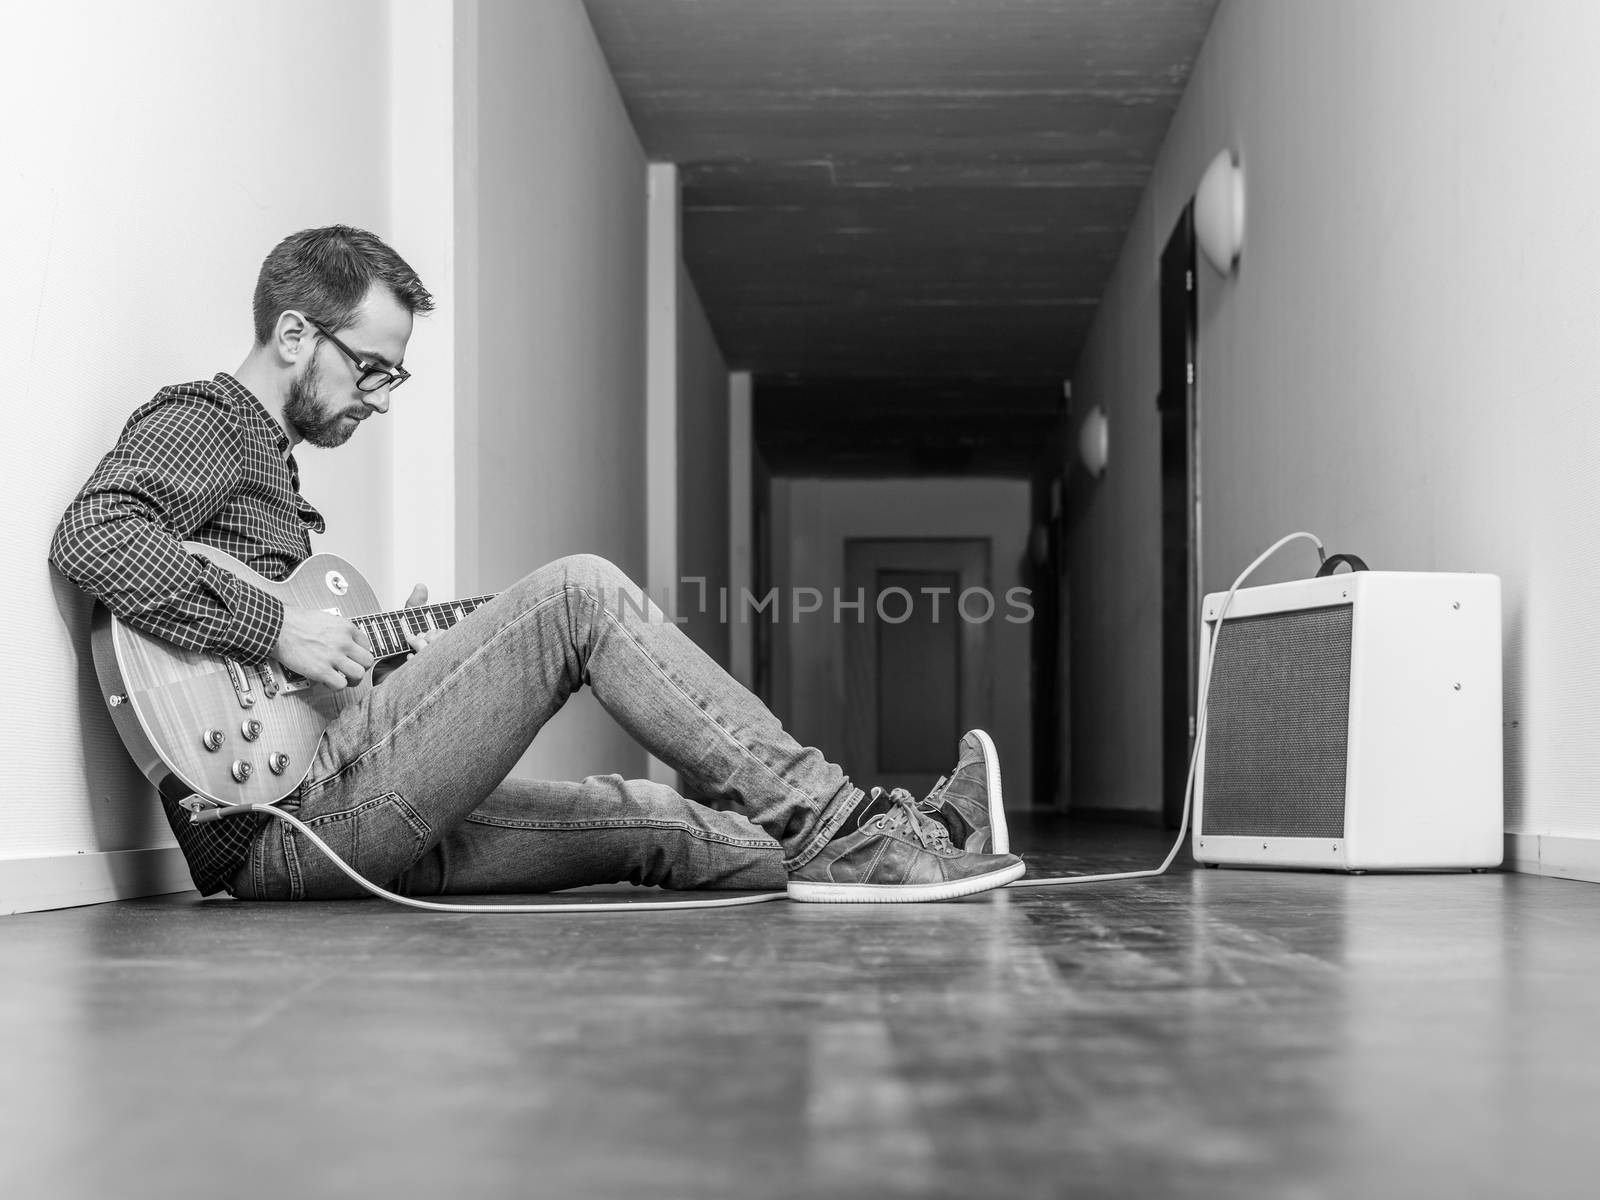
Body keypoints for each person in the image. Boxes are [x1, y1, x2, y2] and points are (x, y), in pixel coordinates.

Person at [50, 225, 1026, 905]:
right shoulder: (208, 423)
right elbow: (93, 535)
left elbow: (285, 695)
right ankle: (853, 835)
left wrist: (382, 661)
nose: (380, 398)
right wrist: (282, 628)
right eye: (372, 368)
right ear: (296, 333)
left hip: (322, 817)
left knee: (651, 818)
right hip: (289, 830)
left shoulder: (273, 477)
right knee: (581, 593)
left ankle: (911, 845)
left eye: (394, 377)